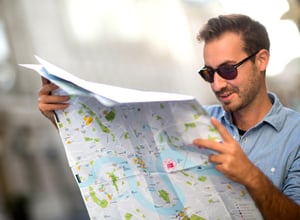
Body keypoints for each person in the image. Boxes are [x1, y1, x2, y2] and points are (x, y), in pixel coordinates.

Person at [38, 14, 300, 219]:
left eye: (228, 70)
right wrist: (64, 117)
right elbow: (124, 156)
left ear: (262, 60)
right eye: (209, 73)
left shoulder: (296, 135)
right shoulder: (193, 120)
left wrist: (251, 176)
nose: (218, 85)